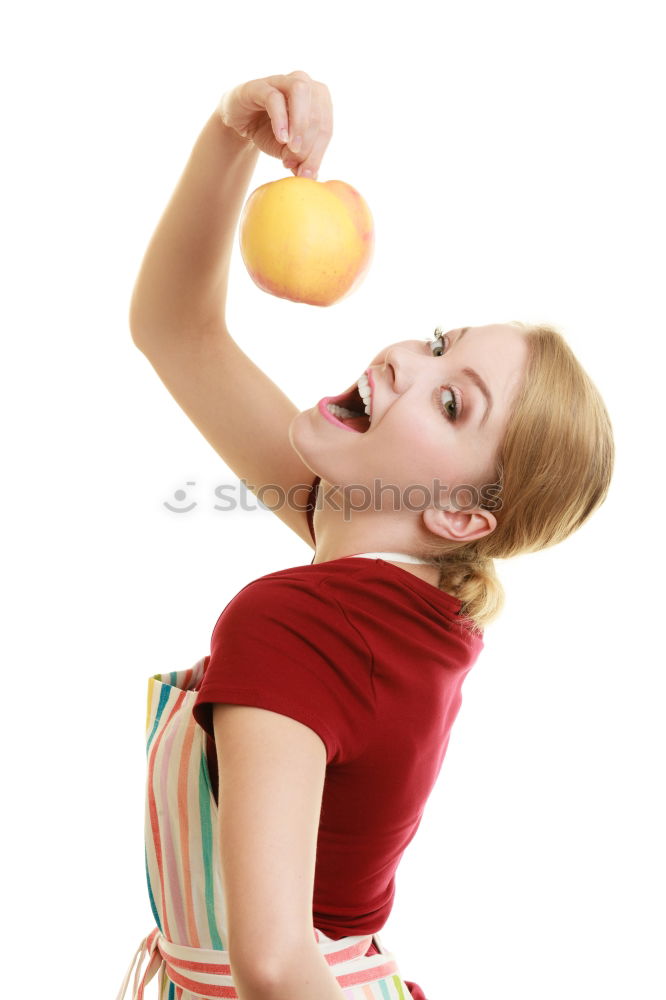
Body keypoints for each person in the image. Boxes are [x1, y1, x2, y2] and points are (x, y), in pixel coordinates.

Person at [117, 70, 615, 1000]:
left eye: (453, 400)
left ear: (463, 517)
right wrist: (233, 135)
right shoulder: (392, 577)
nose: (403, 360)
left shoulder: (305, 624)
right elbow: (174, 330)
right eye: (436, 345)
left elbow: (270, 964)